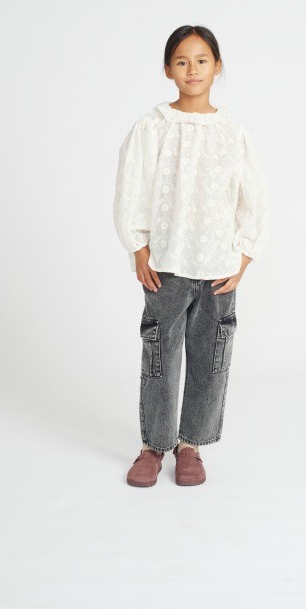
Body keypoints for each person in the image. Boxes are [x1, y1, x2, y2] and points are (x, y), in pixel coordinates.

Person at [112, 25, 271, 487]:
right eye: (182, 61)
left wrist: (244, 256)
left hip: (218, 268)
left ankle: (191, 445)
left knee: (210, 357)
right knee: (160, 356)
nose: (193, 69)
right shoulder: (153, 127)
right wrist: (139, 247)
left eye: (202, 60)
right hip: (166, 264)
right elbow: (131, 188)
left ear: (217, 66)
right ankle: (153, 446)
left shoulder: (232, 133)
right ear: (168, 70)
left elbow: (253, 199)